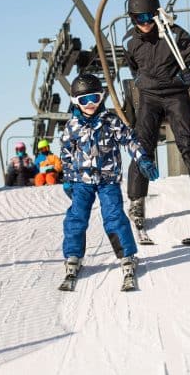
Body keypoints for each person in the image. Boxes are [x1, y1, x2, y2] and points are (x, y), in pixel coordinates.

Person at [123, 0, 190, 231]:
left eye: (148, 17)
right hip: (149, 97)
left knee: (187, 144)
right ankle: (136, 201)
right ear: (132, 18)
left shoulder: (173, 34)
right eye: (138, 18)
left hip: (176, 94)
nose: (144, 23)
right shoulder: (130, 42)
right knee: (142, 147)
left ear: (157, 14)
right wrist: (141, 82)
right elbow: (134, 68)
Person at [59, 72, 160, 288]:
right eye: (84, 100)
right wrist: (68, 178)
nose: (90, 104)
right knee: (76, 218)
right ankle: (73, 256)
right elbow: (66, 154)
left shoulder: (111, 122)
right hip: (81, 181)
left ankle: (127, 256)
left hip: (108, 180)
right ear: (75, 102)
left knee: (114, 216)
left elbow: (130, 141)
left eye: (94, 98)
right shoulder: (72, 127)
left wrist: (143, 159)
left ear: (101, 97)